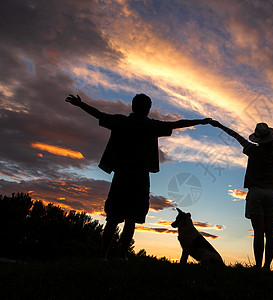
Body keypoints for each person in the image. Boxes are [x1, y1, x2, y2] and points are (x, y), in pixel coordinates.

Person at [65, 93, 211, 260]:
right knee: (130, 219)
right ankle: (121, 257)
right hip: (140, 178)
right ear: (148, 109)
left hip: (122, 176)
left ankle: (103, 257)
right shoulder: (151, 126)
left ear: (133, 106)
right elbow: (178, 124)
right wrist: (201, 121)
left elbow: (99, 114)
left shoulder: (122, 122)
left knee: (113, 219)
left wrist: (80, 104)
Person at [210, 112, 273, 269]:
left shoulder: (252, 150)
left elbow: (236, 136)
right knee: (270, 233)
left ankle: (257, 265)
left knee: (258, 233)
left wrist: (219, 125)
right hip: (272, 194)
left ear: (258, 138)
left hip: (256, 192)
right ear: (270, 137)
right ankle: (267, 267)